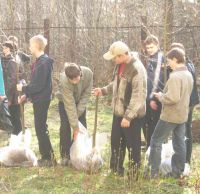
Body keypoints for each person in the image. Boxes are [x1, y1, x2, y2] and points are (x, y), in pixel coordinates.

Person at [94, 41, 147, 177]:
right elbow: (117, 84)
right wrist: (104, 90)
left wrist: (128, 117)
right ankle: (116, 169)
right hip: (118, 112)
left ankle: (134, 174)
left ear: (123, 55)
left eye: (115, 57)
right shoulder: (120, 65)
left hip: (132, 116)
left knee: (133, 146)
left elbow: (138, 96)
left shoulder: (136, 69)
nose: (113, 60)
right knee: (116, 142)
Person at [148, 48, 193, 178]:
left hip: (170, 116)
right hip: (182, 115)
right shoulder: (188, 74)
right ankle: (177, 172)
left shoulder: (175, 76)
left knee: (155, 141)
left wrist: (161, 96)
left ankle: (153, 173)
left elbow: (173, 98)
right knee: (179, 144)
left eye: (168, 61)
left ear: (175, 59)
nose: (168, 64)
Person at [17, 35, 55, 167]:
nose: (29, 47)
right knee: (40, 127)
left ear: (37, 45)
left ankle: (48, 158)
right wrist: (26, 95)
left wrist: (23, 88)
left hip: (42, 99)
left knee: (40, 128)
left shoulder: (44, 62)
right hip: (39, 98)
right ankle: (47, 156)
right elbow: (36, 83)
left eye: (31, 44)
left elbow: (39, 85)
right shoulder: (39, 61)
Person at [56, 63, 93, 166]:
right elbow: (70, 105)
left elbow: (86, 95)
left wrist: (77, 123)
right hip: (65, 102)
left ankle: (80, 155)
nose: (75, 82)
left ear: (80, 73)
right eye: (72, 80)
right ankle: (65, 156)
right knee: (65, 127)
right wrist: (75, 126)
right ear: (68, 78)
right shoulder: (64, 80)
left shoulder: (88, 74)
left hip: (81, 101)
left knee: (82, 127)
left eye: (77, 79)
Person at [170, 43, 199, 164]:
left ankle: (185, 159)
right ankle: (185, 158)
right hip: (190, 101)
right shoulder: (189, 63)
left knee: (184, 131)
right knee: (186, 129)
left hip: (187, 102)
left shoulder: (186, 66)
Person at [143, 35, 165, 148]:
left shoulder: (160, 57)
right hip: (148, 96)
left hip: (155, 98)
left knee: (153, 126)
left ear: (157, 45)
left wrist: (152, 99)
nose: (149, 50)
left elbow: (157, 80)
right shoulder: (151, 58)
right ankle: (149, 148)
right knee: (146, 124)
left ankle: (153, 150)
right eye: (148, 48)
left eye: (152, 47)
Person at [1, 41, 22, 135]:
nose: (3, 49)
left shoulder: (12, 61)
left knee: (15, 117)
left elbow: (12, 81)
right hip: (9, 95)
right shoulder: (5, 60)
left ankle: (18, 136)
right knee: (12, 118)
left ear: (9, 49)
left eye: (4, 47)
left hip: (13, 96)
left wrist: (6, 96)